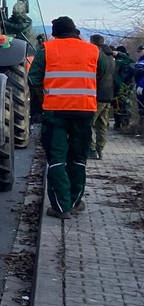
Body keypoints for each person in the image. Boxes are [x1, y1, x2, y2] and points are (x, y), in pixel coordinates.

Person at [30, 17, 109, 218]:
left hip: (55, 113)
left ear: (55, 33)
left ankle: (61, 206)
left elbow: (34, 79)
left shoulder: (47, 49)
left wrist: (44, 100)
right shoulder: (93, 50)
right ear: (75, 31)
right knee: (78, 157)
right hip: (84, 112)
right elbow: (102, 73)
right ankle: (74, 201)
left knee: (57, 158)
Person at [87, 34, 116, 160]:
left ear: (93, 43)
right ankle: (100, 149)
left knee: (88, 123)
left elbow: (96, 75)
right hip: (108, 95)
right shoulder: (111, 58)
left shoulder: (98, 56)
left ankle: (92, 149)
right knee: (103, 124)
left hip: (97, 95)